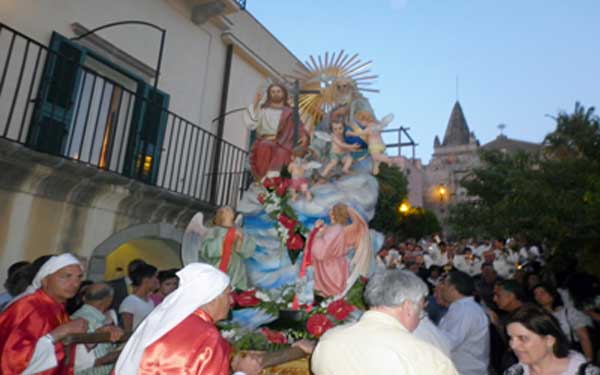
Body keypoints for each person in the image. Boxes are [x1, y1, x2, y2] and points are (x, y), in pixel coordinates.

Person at [114, 263, 262, 375]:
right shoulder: (207, 335)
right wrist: (243, 372)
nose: (231, 301)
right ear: (212, 298)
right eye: (228, 294)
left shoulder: (164, 320)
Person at [311, 269, 457, 374]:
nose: (421, 316)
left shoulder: (330, 340)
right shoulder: (425, 356)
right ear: (408, 307)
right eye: (420, 309)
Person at [0, 253, 89, 374]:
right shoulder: (28, 306)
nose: (75, 283)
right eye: (66, 276)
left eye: (79, 277)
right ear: (45, 279)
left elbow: (65, 357)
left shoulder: (58, 309)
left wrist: (95, 338)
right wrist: (58, 333)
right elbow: (11, 360)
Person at [504, 304, 600, 375]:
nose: (513, 345)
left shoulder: (587, 372)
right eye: (511, 338)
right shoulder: (513, 372)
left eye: (522, 338)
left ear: (549, 340)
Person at [245, 83, 309, 180]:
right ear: (269, 94)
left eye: (278, 91)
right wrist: (256, 102)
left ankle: (275, 184)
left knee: (282, 153)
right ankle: (263, 180)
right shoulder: (263, 109)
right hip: (265, 140)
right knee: (265, 146)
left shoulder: (290, 112)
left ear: (283, 94)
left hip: (283, 143)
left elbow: (299, 126)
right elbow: (252, 120)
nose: (275, 94)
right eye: (273, 92)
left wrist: (304, 136)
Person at [311, 203, 372, 297]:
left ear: (335, 214)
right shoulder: (339, 229)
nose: (329, 213)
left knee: (330, 297)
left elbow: (321, 252)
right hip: (338, 266)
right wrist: (322, 231)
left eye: (332, 211)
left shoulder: (334, 230)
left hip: (330, 269)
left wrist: (316, 236)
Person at [439, 270, 490, 375]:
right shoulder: (463, 308)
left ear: (452, 288)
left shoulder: (465, 311)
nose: (442, 288)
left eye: (444, 284)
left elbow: (448, 342)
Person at [532, 283, 594, 361]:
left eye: (542, 292)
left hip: (573, 355)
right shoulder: (537, 318)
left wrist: (588, 361)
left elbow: (584, 337)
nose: (539, 296)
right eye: (535, 294)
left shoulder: (568, 312)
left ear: (552, 294)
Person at [71, 283, 123, 375]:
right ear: (108, 300)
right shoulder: (92, 323)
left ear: (84, 298)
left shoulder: (73, 318)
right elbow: (97, 361)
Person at [200, 206, 256, 290]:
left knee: (235, 293)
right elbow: (207, 250)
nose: (228, 212)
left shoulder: (240, 231)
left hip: (236, 271)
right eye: (225, 210)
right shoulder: (213, 231)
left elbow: (248, 252)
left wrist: (240, 243)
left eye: (229, 210)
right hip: (218, 269)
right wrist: (227, 238)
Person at [119, 263, 158, 332]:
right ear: (146, 280)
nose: (157, 281)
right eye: (155, 277)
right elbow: (127, 330)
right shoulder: (130, 302)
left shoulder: (150, 302)